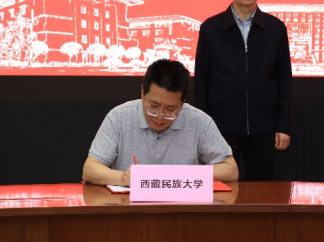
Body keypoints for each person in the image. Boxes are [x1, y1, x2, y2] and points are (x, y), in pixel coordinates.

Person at [193, 0, 292, 181]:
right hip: (221, 128)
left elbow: (284, 80)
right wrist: (202, 129)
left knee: (262, 190)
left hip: (264, 127)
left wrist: (283, 126)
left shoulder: (275, 28)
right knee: (221, 188)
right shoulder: (211, 28)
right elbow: (201, 81)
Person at [83, 59, 238, 186]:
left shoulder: (199, 121)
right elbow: (90, 169)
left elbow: (231, 170)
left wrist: (184, 174)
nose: (160, 116)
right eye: (154, 106)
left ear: (183, 103)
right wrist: (122, 178)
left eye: (170, 109)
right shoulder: (119, 117)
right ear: (142, 93)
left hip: (183, 207)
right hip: (129, 207)